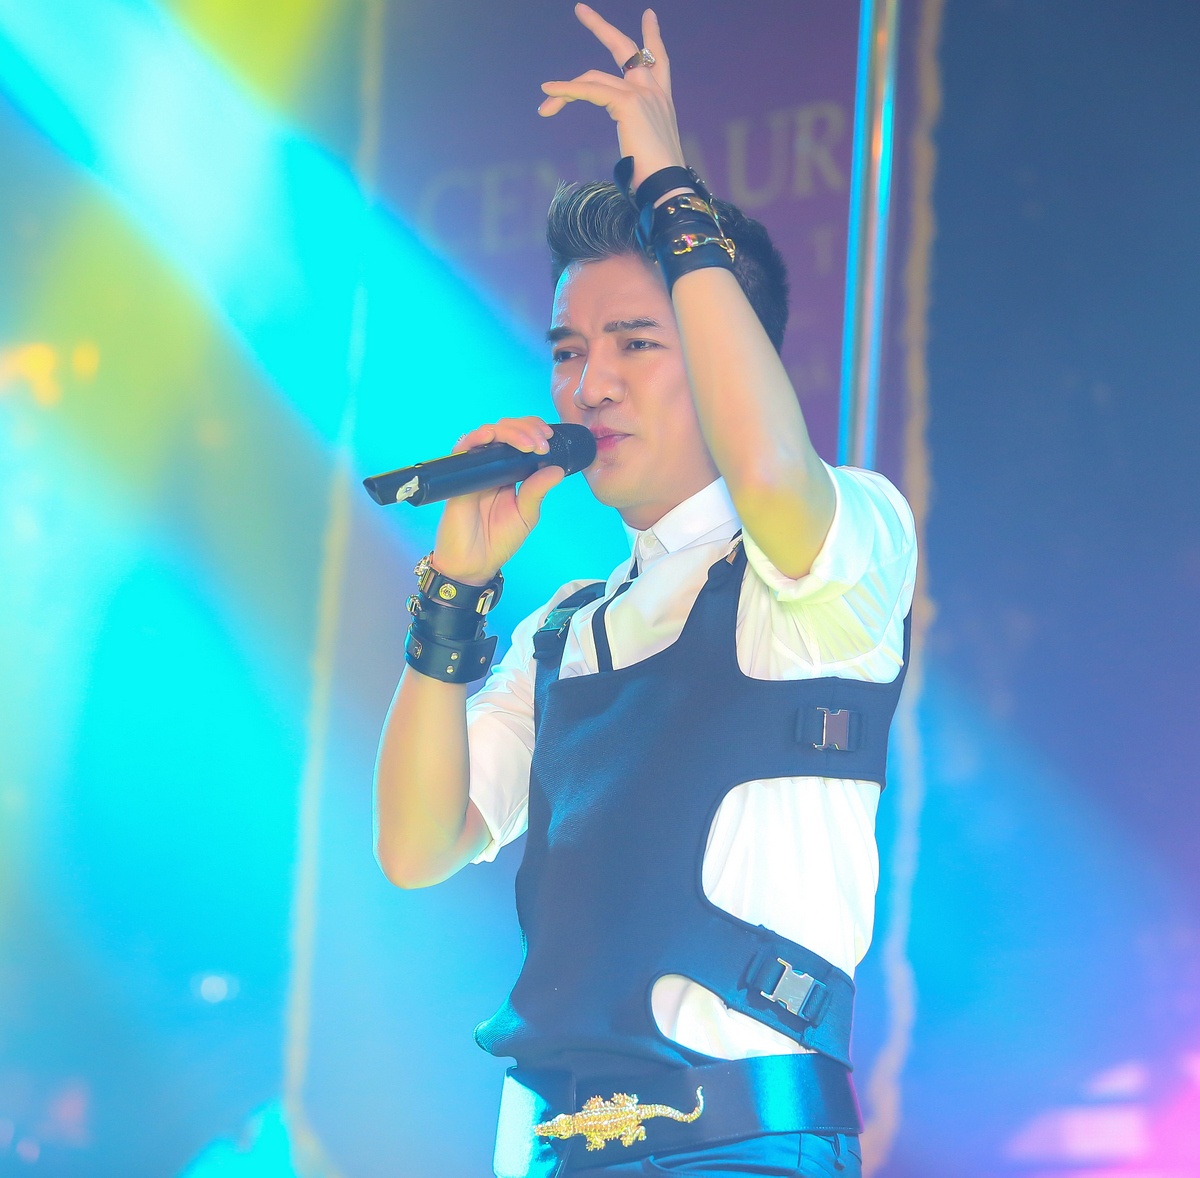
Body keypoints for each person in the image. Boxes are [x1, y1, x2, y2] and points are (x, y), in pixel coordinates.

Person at [373, 6, 916, 1175]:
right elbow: (417, 843)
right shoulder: (565, 629)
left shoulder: (837, 549)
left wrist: (664, 171)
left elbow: (768, 470)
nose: (592, 384)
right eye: (569, 350)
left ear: (723, 357)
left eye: (636, 343)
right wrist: (454, 587)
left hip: (742, 1145)